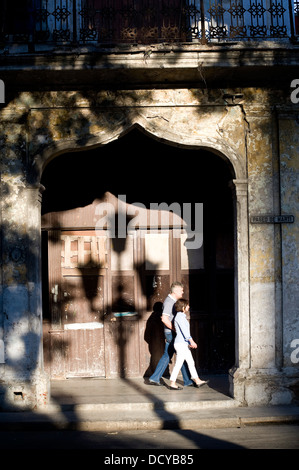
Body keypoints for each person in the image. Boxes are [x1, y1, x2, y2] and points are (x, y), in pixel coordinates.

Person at [148, 282, 193, 387]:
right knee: (173, 354)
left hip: (171, 333)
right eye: (181, 290)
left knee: (176, 354)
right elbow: (164, 319)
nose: (183, 292)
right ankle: (155, 378)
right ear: (176, 291)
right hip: (171, 333)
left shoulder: (172, 301)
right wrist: (176, 329)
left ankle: (187, 380)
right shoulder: (169, 302)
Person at [169, 298, 208, 390]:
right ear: (183, 307)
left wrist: (188, 342)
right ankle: (172, 382)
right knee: (179, 363)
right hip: (181, 344)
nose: (189, 306)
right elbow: (185, 332)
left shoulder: (180, 316)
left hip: (182, 344)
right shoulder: (180, 317)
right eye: (187, 305)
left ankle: (197, 380)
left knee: (190, 362)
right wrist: (191, 341)